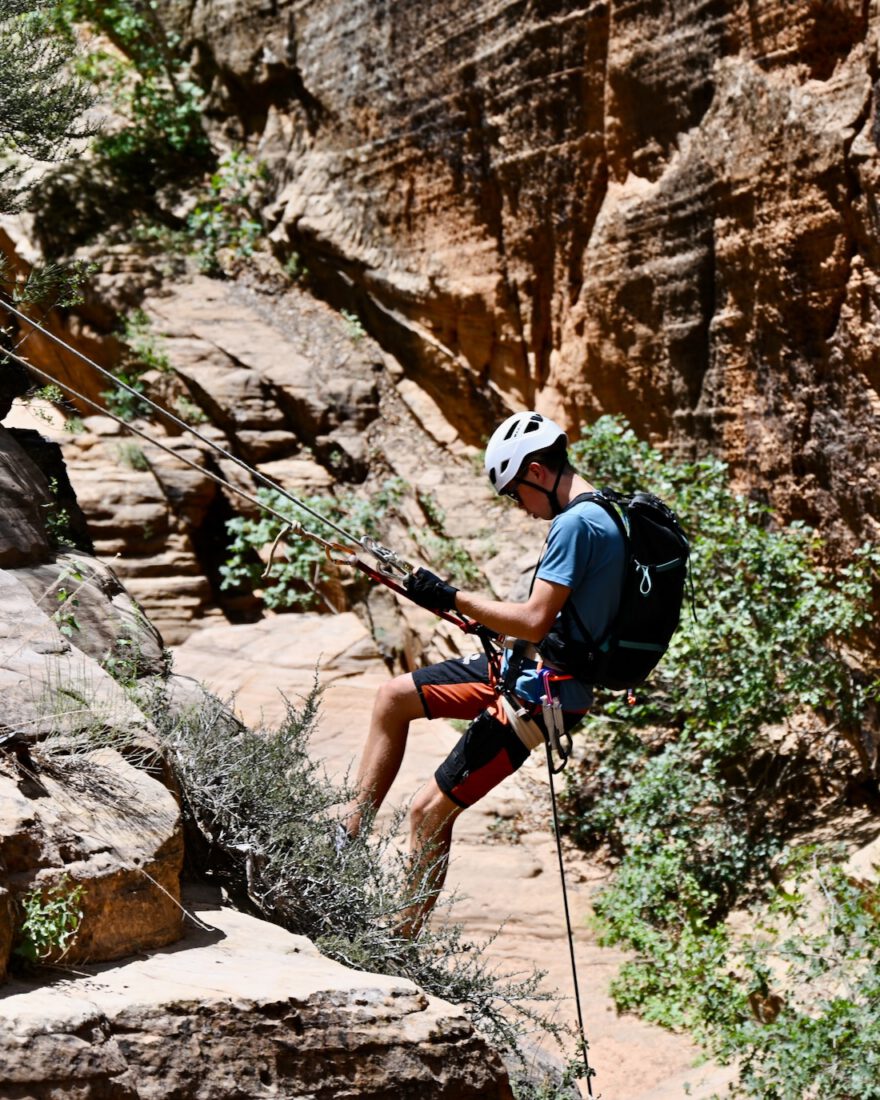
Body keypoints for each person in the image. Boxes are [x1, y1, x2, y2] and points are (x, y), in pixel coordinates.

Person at [340, 411, 626, 934]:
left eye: (517, 494)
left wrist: (451, 596)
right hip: (529, 669)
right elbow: (560, 616)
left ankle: (398, 944)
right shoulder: (602, 511)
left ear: (537, 472)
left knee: (428, 814)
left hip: (543, 696)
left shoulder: (576, 523)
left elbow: (536, 620)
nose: (521, 508)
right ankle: (345, 839)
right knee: (393, 697)